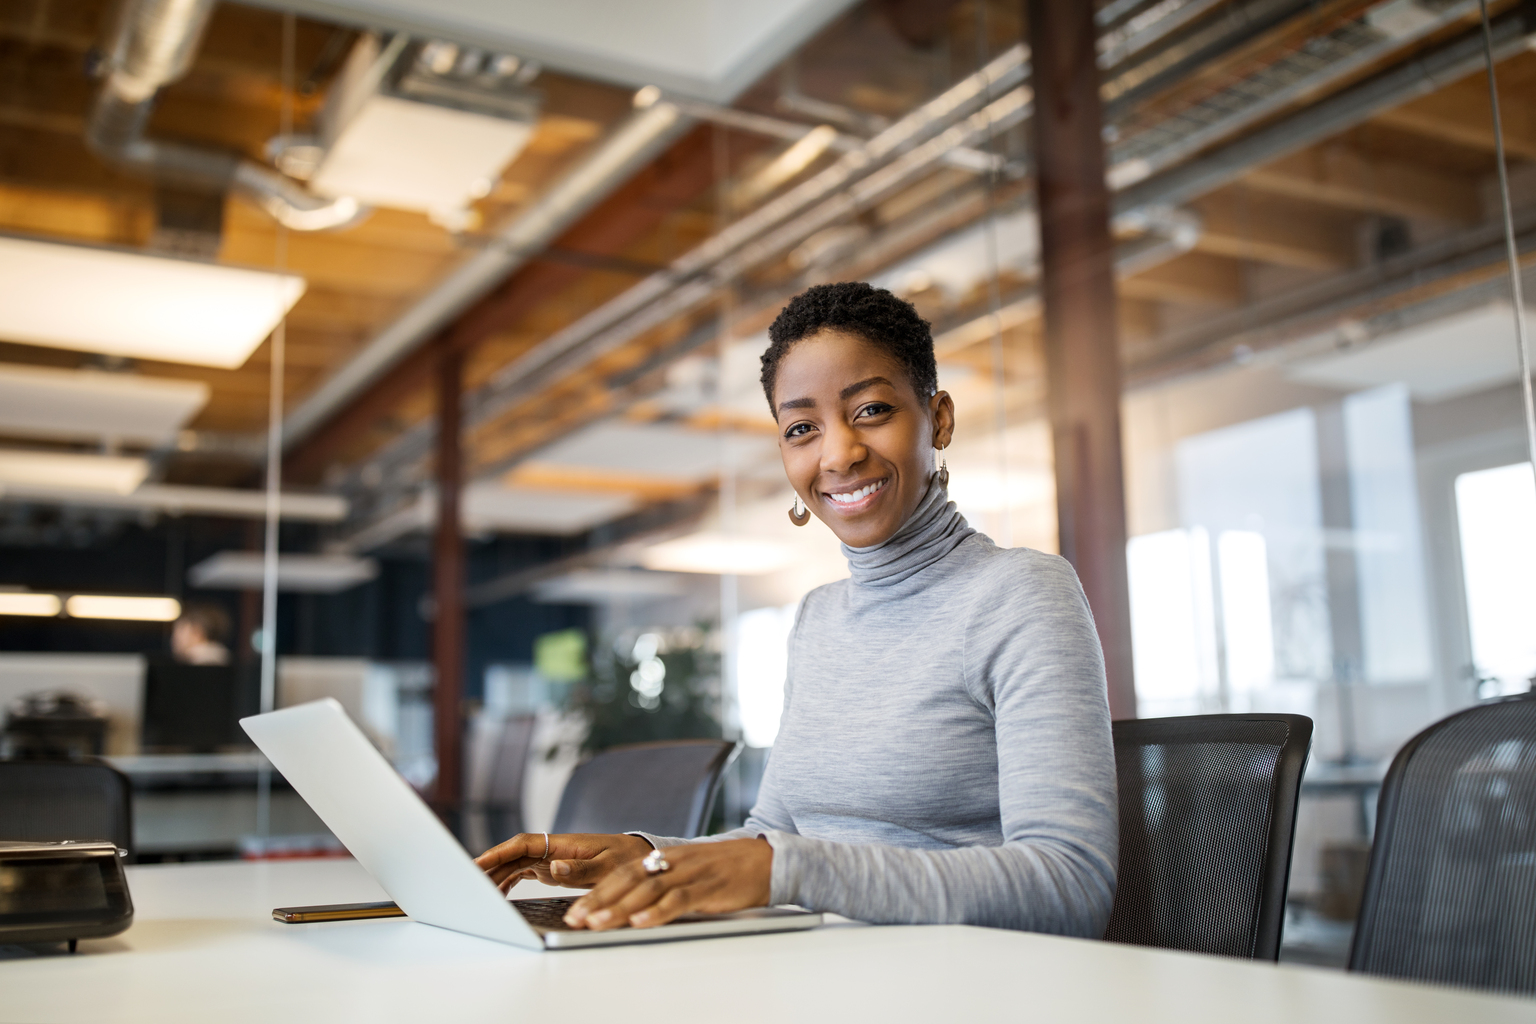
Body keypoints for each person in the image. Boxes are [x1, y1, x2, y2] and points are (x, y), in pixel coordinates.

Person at [476, 282, 1118, 936]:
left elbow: (1072, 882)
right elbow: (775, 835)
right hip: (815, 964)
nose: (838, 454)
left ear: (939, 418)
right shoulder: (817, 617)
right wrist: (651, 856)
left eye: (870, 410)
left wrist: (792, 871)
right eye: (802, 428)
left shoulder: (1021, 594)